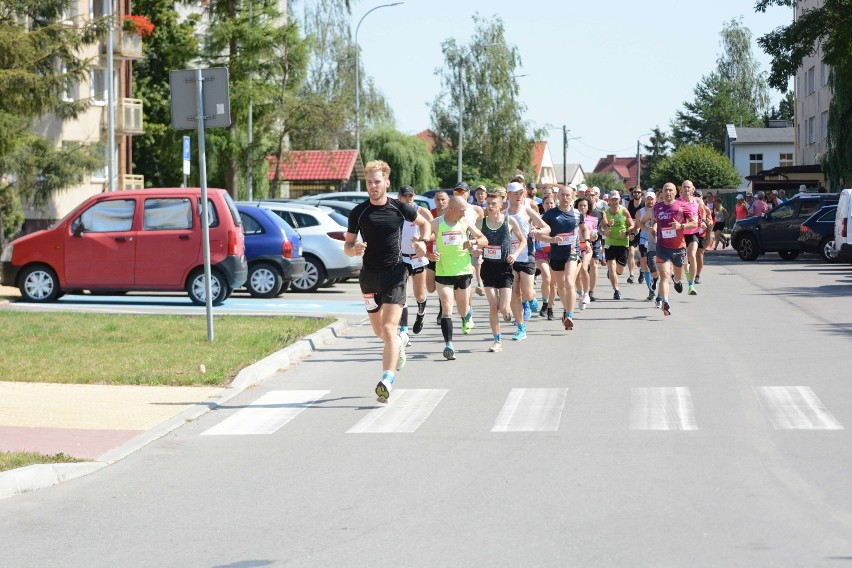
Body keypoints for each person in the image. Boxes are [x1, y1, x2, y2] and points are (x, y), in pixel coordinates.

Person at [344, 160, 431, 403]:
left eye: (377, 182)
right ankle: (400, 343)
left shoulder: (399, 208)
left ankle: (387, 380)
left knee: (390, 328)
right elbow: (347, 246)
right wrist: (355, 249)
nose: (373, 186)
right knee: (380, 331)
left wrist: (423, 242)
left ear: (387, 183)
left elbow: (424, 224)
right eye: (370, 182)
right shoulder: (358, 212)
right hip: (369, 277)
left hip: (395, 273)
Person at [428, 196, 488, 360]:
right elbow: (422, 240)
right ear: (451, 208)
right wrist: (429, 254)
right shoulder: (436, 223)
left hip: (463, 271)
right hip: (443, 272)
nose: (464, 213)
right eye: (462, 210)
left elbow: (484, 239)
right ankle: (449, 345)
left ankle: (467, 316)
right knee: (447, 308)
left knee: (462, 309)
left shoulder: (465, 222)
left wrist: (473, 242)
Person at [479, 187, 525, 352]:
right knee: (493, 306)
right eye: (488, 203)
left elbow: (523, 240)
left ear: (501, 205)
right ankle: (497, 341)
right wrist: (475, 248)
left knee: (504, 308)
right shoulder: (481, 222)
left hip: (505, 267)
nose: (490, 206)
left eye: (493, 204)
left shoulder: (509, 221)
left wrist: (515, 254)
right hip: (488, 267)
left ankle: (509, 315)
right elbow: (474, 241)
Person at [540, 185, 588, 330]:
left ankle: (570, 315)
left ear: (572, 197)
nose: (565, 198)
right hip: (556, 254)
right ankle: (566, 311)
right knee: (561, 287)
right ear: (557, 196)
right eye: (562, 195)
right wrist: (550, 239)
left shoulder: (577, 213)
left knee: (569, 282)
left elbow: (583, 228)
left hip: (572, 252)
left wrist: (586, 241)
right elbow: (542, 234)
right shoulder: (550, 214)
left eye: (568, 195)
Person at [506, 181, 550, 340]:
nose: (518, 197)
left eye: (520, 194)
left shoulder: (527, 211)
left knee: (527, 291)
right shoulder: (503, 213)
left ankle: (531, 298)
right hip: (510, 258)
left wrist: (537, 230)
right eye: (515, 194)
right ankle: (521, 327)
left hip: (527, 256)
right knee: (514, 293)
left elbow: (547, 228)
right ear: (508, 195)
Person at [397, 186, 435, 341]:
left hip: (418, 257)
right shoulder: (396, 212)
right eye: (405, 196)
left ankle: (420, 314)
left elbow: (434, 233)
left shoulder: (422, 212)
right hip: (402, 258)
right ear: (399, 197)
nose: (409, 199)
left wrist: (422, 240)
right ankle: (404, 330)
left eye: (411, 196)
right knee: (401, 295)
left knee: (419, 294)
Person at [653, 182, 697, 316]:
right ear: (661, 192)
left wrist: (681, 226)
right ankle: (665, 302)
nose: (668, 192)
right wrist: (652, 229)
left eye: (670, 190)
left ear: (675, 192)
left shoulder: (682, 206)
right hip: (662, 247)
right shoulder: (657, 207)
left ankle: (677, 280)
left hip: (678, 248)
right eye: (665, 190)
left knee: (678, 275)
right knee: (664, 275)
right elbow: (652, 221)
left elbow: (694, 223)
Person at [452, 182, 486, 297]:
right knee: (456, 287)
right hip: (454, 248)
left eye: (462, 191)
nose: (460, 194)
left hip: (471, 248)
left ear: (468, 193)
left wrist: (478, 246)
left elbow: (481, 232)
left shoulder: (477, 210)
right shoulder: (449, 209)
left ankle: (468, 310)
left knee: (466, 280)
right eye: (457, 191)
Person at [601, 190, 634, 300]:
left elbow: (631, 225)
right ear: (609, 201)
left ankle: (612, 273)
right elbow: (602, 228)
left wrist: (626, 233)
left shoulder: (624, 211)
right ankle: (616, 290)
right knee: (611, 265)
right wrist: (606, 228)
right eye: (612, 199)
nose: (615, 201)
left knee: (620, 269)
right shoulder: (605, 212)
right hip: (610, 243)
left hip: (623, 243)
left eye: (616, 199)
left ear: (619, 199)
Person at [427, 190, 450, 322]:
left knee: (443, 286)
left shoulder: (451, 215)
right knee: (430, 288)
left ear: (448, 200)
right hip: (432, 255)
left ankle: (443, 310)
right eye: (438, 200)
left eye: (443, 200)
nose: (440, 202)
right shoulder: (431, 214)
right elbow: (426, 232)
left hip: (447, 257)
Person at [534, 194, 557, 319]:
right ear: (543, 205)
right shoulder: (539, 219)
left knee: (553, 283)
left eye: (551, 203)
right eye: (547, 203)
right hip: (541, 251)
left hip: (555, 252)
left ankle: (549, 308)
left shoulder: (559, 218)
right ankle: (544, 302)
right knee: (546, 278)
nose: (549, 205)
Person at [635, 190, 660, 303]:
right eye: (648, 199)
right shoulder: (640, 212)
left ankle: (651, 280)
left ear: (655, 200)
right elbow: (638, 225)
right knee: (645, 263)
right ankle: (651, 291)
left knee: (653, 266)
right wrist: (647, 229)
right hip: (644, 240)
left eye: (652, 199)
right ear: (645, 199)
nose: (650, 201)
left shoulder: (659, 210)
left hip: (656, 242)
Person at [678, 180, 702, 295]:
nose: (686, 189)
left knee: (692, 255)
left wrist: (705, 222)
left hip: (693, 233)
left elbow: (703, 213)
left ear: (693, 189)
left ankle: (691, 285)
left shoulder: (697, 201)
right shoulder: (677, 202)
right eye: (684, 187)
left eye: (688, 187)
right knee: (684, 261)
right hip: (681, 234)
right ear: (681, 190)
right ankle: (688, 275)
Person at [574, 196, 596, 309]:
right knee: (577, 275)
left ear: (588, 207)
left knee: (584, 268)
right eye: (580, 205)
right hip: (575, 247)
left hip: (587, 246)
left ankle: (587, 293)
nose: (582, 208)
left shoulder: (592, 219)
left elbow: (594, 234)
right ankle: (581, 293)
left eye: (584, 206)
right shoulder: (573, 217)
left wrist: (592, 238)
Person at [625, 186, 645, 283]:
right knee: (631, 252)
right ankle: (631, 274)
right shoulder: (629, 203)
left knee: (641, 254)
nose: (636, 194)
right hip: (632, 229)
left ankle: (642, 271)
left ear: (641, 193)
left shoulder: (644, 204)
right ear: (632, 194)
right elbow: (625, 216)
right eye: (634, 192)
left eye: (638, 192)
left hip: (642, 229)